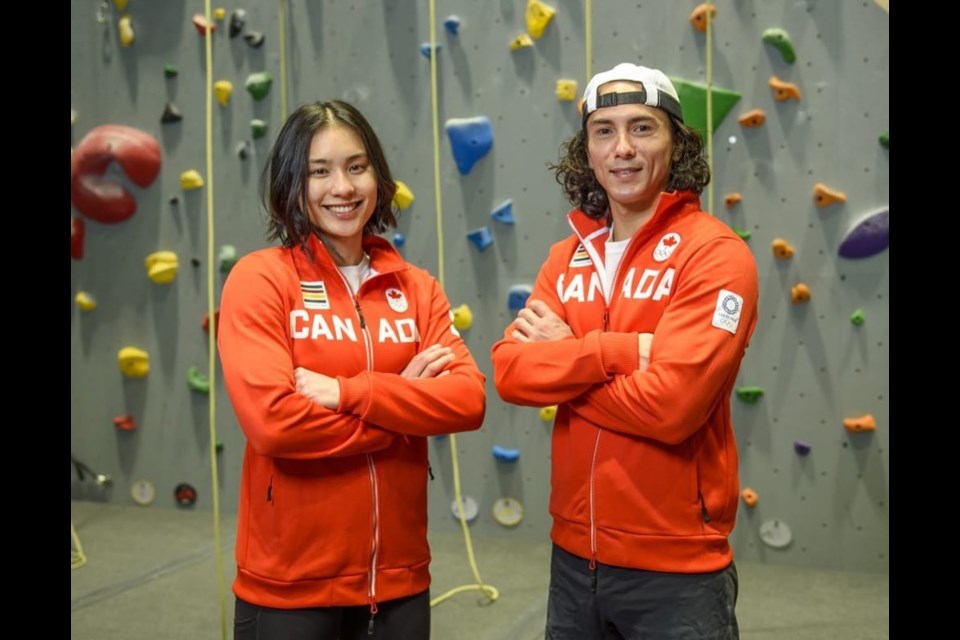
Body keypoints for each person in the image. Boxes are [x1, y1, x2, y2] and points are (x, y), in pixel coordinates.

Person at [491, 63, 759, 639]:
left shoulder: (714, 255)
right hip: (572, 559)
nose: (623, 149)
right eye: (604, 130)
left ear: (676, 142)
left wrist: (563, 359)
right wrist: (616, 351)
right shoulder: (568, 257)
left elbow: (673, 408)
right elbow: (511, 373)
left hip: (676, 568)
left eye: (643, 128)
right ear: (585, 149)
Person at [217, 100, 486, 640]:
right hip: (291, 583)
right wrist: (403, 409)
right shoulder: (261, 280)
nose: (342, 186)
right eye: (320, 171)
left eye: (356, 166)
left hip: (399, 579)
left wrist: (349, 392)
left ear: (377, 176)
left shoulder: (416, 287)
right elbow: (273, 423)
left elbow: (467, 401)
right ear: (294, 182)